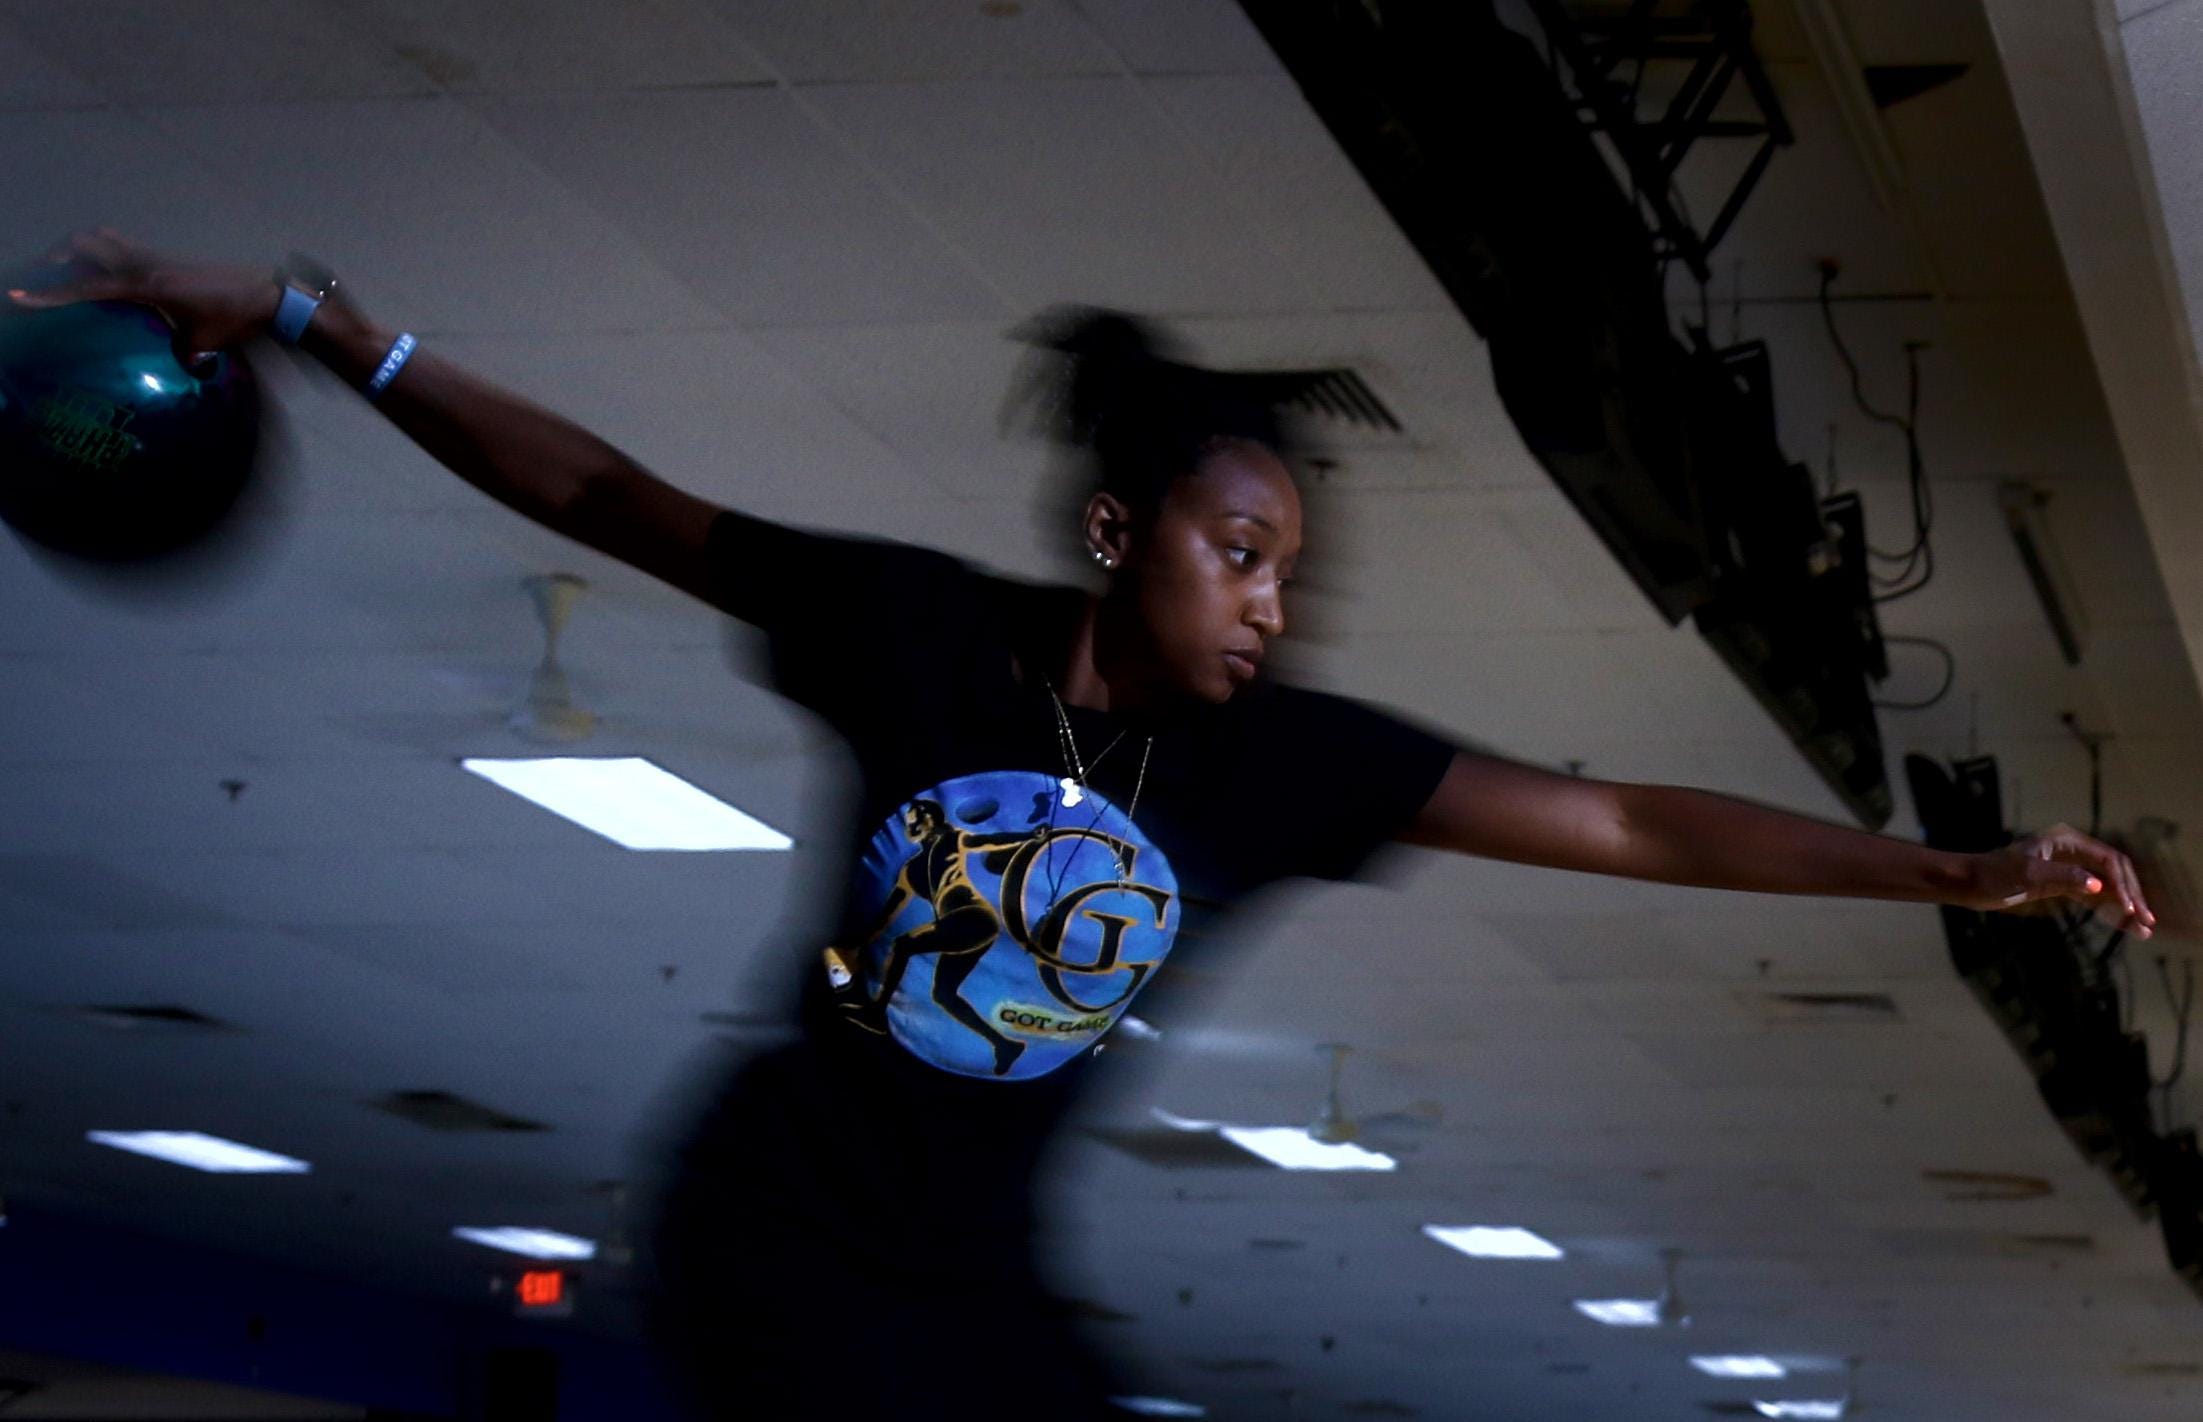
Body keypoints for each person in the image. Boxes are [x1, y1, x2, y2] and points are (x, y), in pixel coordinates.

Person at [12, 231, 2158, 1420]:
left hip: (971, 1276)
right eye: (1240, 552)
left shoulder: (1281, 766)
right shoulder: (918, 637)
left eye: (1292, 568)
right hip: (773, 1222)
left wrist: (1950, 873)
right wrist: (327, 327)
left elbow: (1624, 832)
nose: (1272, 600)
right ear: (1125, 532)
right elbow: (604, 500)